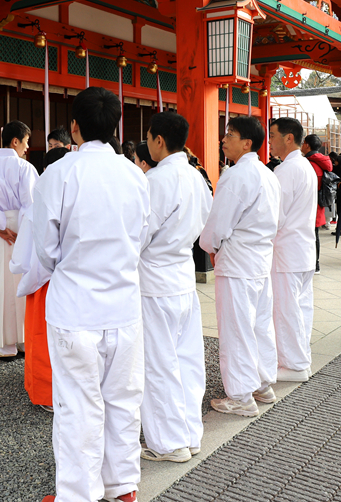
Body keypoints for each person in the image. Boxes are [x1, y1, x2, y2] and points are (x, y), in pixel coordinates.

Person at [33, 87, 150, 502]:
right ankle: (122, 486)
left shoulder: (59, 174)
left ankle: (79, 493)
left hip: (76, 307)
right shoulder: (135, 175)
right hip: (122, 303)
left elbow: (44, 250)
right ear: (116, 124)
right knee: (122, 398)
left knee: (78, 404)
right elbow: (141, 236)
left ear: (75, 128)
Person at [137, 112, 212, 464]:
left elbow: (139, 233)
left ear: (159, 141)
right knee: (186, 358)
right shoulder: (196, 177)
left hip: (155, 278)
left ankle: (168, 442)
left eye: (149, 137)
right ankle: (189, 433)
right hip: (181, 273)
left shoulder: (156, 180)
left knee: (159, 362)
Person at [199, 115, 280, 418]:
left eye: (229, 134)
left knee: (236, 329)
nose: (224, 139)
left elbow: (218, 224)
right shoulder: (268, 174)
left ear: (246, 142)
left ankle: (241, 395)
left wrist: (209, 246)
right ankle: (261, 382)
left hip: (237, 261)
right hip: (259, 259)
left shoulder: (236, 175)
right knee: (259, 324)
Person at [11, 145, 70, 411]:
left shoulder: (39, 203)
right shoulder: (79, 196)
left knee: (42, 337)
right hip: (74, 279)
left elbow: (25, 256)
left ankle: (46, 392)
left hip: (43, 280)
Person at [0, 120, 39, 359]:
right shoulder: (25, 168)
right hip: (22, 228)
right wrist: (20, 230)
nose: (26, 147)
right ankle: (23, 340)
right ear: (15, 141)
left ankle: (6, 344)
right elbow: (31, 205)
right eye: (26, 141)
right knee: (22, 282)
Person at [268, 118, 318, 384]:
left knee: (286, 309)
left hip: (287, 249)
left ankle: (293, 363)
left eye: (273, 135)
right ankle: (301, 357)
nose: (270, 140)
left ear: (289, 138)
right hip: (303, 248)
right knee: (299, 307)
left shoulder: (286, 170)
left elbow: (275, 216)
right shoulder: (304, 165)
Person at [302, 134, 333, 271]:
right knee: (314, 235)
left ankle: (313, 264)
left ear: (307, 145)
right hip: (318, 204)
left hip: (308, 205)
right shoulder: (321, 162)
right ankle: (316, 264)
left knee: (309, 236)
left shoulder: (308, 164)